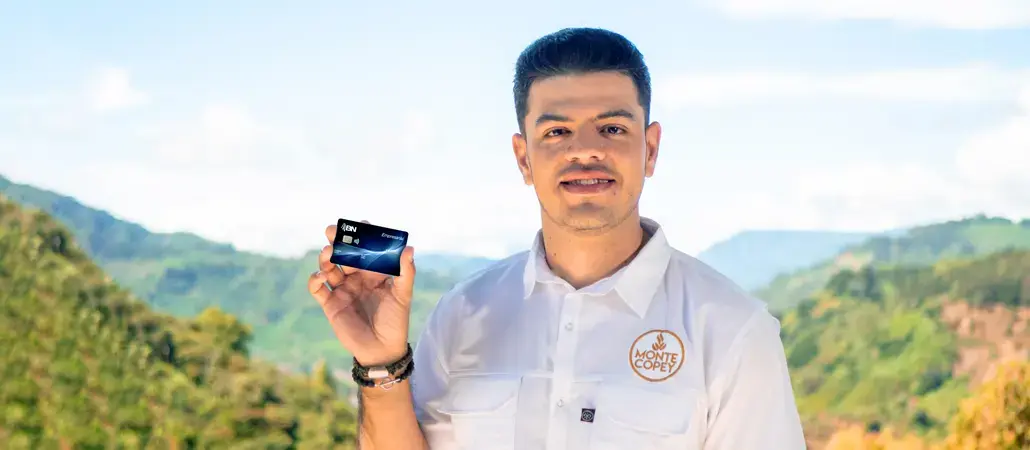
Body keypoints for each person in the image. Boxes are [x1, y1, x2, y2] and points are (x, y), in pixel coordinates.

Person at [308, 27, 807, 450]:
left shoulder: (734, 330)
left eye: (612, 128)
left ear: (650, 150)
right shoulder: (463, 312)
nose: (585, 151)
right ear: (523, 158)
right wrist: (380, 363)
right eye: (557, 133)